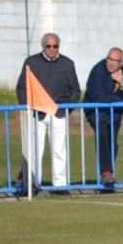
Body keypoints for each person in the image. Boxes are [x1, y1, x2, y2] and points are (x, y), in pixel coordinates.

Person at [15, 32, 80, 191]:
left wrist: (67, 108)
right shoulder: (31, 62)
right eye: (48, 46)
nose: (52, 49)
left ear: (59, 46)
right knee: (35, 152)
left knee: (59, 151)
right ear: (43, 46)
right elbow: (22, 88)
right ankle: (34, 184)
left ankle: (60, 185)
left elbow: (75, 90)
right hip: (37, 114)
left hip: (58, 114)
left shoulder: (68, 64)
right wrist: (29, 106)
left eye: (55, 46)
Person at [83, 47, 123, 186]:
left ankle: (107, 175)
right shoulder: (98, 70)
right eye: (109, 59)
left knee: (111, 142)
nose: (111, 63)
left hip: (115, 111)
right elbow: (98, 96)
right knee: (102, 132)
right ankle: (106, 173)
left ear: (121, 63)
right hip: (95, 109)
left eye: (115, 60)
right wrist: (120, 100)